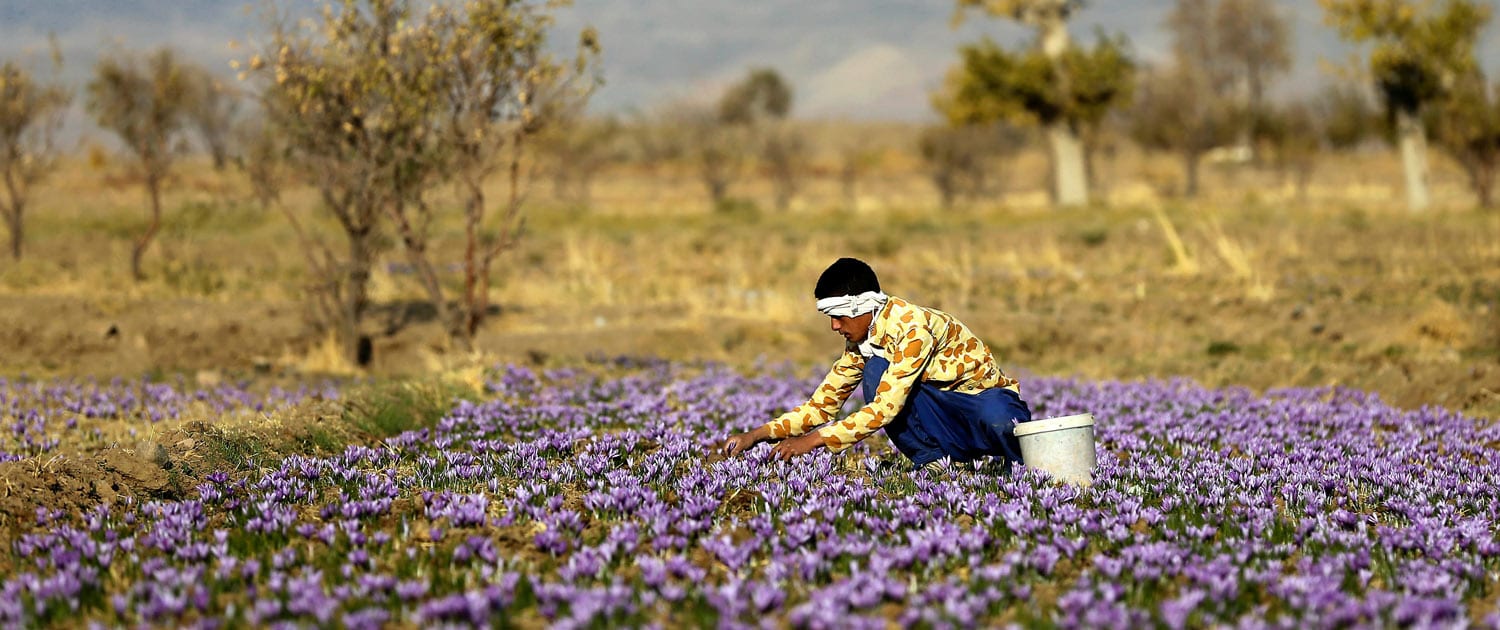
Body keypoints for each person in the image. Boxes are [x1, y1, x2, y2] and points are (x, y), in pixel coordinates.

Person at [720, 257, 1029, 469]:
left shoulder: (912, 328)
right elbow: (821, 406)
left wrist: (813, 441)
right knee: (875, 369)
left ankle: (1022, 467)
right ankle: (935, 463)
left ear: (862, 307)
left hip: (981, 403)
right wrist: (755, 435)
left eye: (838, 318)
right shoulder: (862, 342)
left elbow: (885, 408)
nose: (835, 327)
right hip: (944, 413)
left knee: (1000, 421)